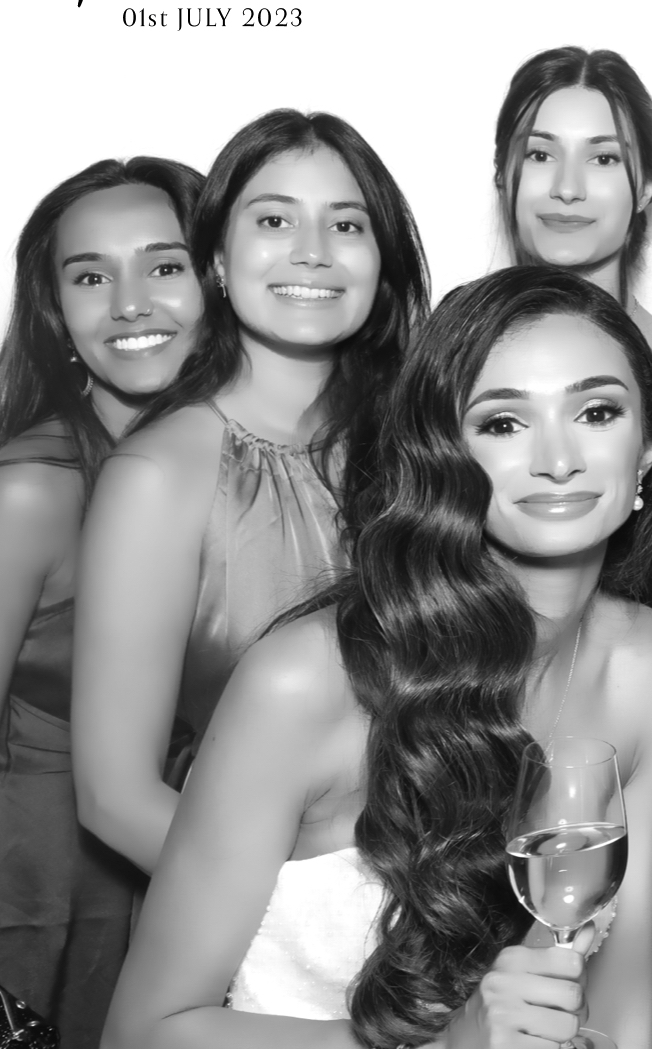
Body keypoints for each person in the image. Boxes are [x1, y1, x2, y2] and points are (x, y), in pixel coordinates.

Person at [101, 266, 652, 1049]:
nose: (559, 459)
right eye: (503, 423)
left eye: (596, 412)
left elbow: (619, 1013)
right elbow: (142, 1033)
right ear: (441, 454)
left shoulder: (651, 669)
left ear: (647, 445)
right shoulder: (308, 682)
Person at [72, 110, 430, 875]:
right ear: (217, 261)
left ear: (382, 263)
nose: (312, 251)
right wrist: (314, 912)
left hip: (435, 893)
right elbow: (114, 796)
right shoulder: (159, 474)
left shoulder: (423, 444)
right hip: (251, 920)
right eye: (274, 220)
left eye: (346, 224)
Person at [0, 157, 205, 1049]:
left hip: (183, 891)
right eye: (90, 277)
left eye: (164, 266)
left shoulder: (235, 468)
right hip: (41, 912)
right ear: (56, 311)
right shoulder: (31, 493)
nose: (129, 303)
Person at [495, 46, 652, 457]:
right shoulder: (448, 356)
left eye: (603, 158)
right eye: (539, 154)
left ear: (646, 188)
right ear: (502, 175)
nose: (567, 188)